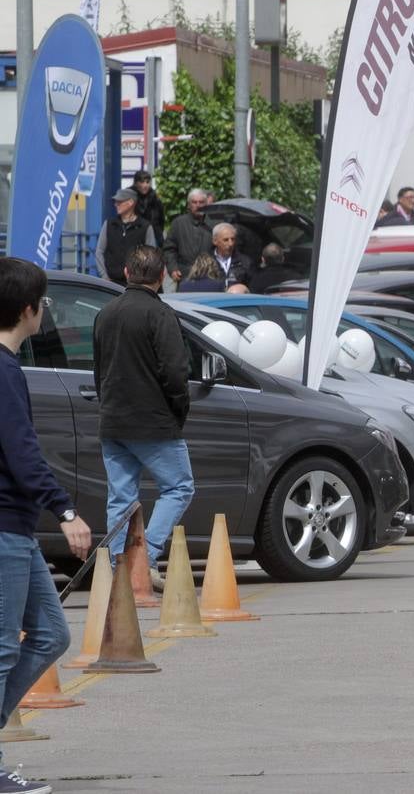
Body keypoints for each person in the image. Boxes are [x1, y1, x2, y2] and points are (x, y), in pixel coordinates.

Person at [0, 257, 93, 794]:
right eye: (44, 303)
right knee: (5, 648)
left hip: (17, 528)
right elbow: (22, 453)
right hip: (6, 527)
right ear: (29, 310)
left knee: (52, 635)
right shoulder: (4, 371)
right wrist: (65, 510)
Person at [94, 246, 195, 573]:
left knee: (120, 500)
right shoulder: (160, 314)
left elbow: (99, 371)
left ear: (126, 273)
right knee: (179, 487)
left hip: (113, 421)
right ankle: (145, 559)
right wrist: (178, 412)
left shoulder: (105, 313)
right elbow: (176, 373)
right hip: (153, 422)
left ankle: (115, 568)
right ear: (162, 275)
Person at [95, 188, 158, 285]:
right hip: (111, 283)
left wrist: (142, 280)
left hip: (135, 284)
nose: (116, 205)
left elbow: (151, 256)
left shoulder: (145, 227)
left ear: (131, 202)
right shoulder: (109, 224)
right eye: (115, 202)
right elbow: (99, 251)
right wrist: (105, 277)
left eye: (119, 202)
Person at [162, 187, 214, 284]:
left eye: (201, 202)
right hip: (184, 276)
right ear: (189, 205)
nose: (198, 205)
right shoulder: (178, 223)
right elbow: (169, 249)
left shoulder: (213, 224)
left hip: (209, 275)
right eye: (194, 202)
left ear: (206, 204)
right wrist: (173, 268)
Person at [210, 223, 253, 289]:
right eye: (226, 240)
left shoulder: (245, 262)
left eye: (233, 239)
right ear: (215, 241)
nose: (231, 244)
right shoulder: (207, 263)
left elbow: (252, 288)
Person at [130, 169, 166, 242]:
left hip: (154, 236)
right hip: (135, 236)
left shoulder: (155, 198)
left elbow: (161, 219)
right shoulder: (129, 197)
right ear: (136, 183)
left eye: (147, 182)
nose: (145, 185)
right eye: (142, 182)